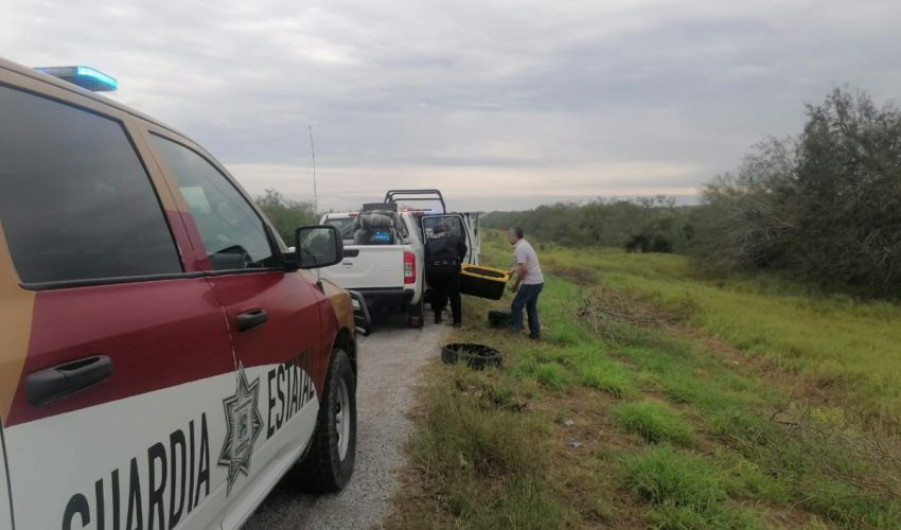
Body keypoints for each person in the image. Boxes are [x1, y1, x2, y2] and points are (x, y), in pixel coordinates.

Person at [425, 223, 467, 326]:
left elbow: (426, 256)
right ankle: (457, 321)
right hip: (451, 269)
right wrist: (459, 260)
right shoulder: (453, 237)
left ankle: (437, 318)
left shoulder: (429, 240)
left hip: (435, 270)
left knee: (436, 293)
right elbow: (464, 249)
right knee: (454, 295)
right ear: (445, 230)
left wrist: (429, 269)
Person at [508, 227, 544, 339]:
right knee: (531, 307)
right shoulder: (525, 244)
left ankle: (516, 330)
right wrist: (512, 271)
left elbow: (524, 269)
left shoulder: (520, 248)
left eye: (510, 236)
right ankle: (535, 334)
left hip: (531, 283)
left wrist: (516, 283)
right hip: (538, 282)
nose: (509, 238)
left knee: (516, 305)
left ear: (515, 236)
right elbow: (522, 264)